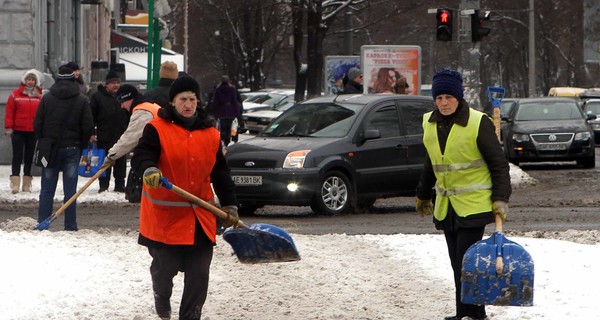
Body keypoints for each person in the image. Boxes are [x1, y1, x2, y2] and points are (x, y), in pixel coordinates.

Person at [131, 76, 238, 320]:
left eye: (192, 99)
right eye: (183, 99)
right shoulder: (157, 129)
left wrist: (230, 203)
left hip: (200, 217)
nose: (188, 104)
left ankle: (191, 315)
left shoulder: (210, 134)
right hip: (165, 220)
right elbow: (141, 156)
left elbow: (220, 172)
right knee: (164, 269)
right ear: (173, 101)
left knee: (199, 274)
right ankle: (161, 294)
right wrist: (149, 169)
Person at [415, 68, 511, 320]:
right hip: (446, 205)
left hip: (474, 205)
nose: (444, 103)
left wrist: (501, 197)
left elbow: (498, 164)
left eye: (448, 97)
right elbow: (431, 162)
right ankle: (468, 313)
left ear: (458, 97)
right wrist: (423, 194)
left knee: (466, 264)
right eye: (439, 98)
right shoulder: (429, 123)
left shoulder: (478, 123)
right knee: (457, 264)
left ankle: (473, 314)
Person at [34, 66, 94, 231]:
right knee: (70, 191)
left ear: (58, 79)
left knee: (47, 189)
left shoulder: (47, 99)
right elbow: (88, 126)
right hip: (72, 148)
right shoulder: (81, 100)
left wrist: (44, 141)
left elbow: (37, 123)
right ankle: (70, 225)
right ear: (73, 80)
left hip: (50, 149)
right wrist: (81, 144)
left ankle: (42, 223)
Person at [102, 84, 161, 202]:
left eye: (122, 102)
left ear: (129, 98)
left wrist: (112, 155)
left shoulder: (142, 112)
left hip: (158, 157)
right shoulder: (150, 106)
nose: (122, 106)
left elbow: (130, 138)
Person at [4, 69, 44, 193]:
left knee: (29, 157)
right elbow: (9, 112)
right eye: (28, 79)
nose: (30, 82)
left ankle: (27, 183)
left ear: (36, 81)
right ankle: (15, 182)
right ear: (24, 81)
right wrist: (9, 127)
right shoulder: (15, 95)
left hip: (33, 131)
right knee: (17, 156)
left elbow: (43, 114)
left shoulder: (40, 96)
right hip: (18, 130)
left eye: (32, 80)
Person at [89, 70, 129, 192]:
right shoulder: (97, 97)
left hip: (121, 135)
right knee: (104, 162)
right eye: (113, 83)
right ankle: (103, 185)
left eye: (118, 82)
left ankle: (120, 185)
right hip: (104, 135)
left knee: (121, 162)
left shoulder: (123, 97)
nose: (116, 85)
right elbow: (91, 116)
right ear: (107, 84)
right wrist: (91, 132)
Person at [211, 75, 240, 146]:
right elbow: (234, 101)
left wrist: (215, 113)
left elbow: (216, 102)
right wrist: (237, 112)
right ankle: (233, 139)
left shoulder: (218, 90)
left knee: (223, 128)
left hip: (222, 112)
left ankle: (224, 141)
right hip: (231, 111)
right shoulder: (232, 89)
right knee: (232, 127)